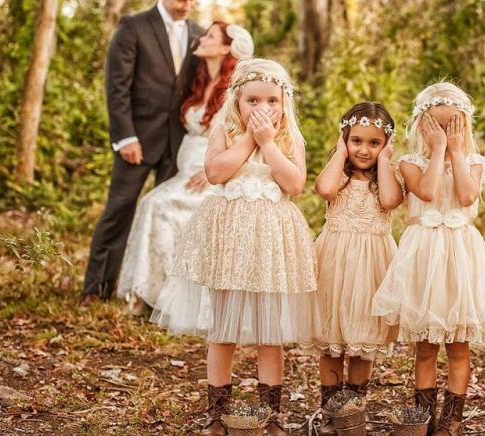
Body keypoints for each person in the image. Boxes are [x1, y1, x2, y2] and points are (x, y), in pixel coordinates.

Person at [150, 58, 319, 436]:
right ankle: (217, 412)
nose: (262, 109)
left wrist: (268, 143)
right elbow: (215, 173)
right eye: (252, 101)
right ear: (236, 101)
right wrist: (248, 139)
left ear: (284, 102)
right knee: (223, 327)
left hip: (270, 239)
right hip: (230, 238)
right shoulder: (224, 130)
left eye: (271, 101)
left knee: (269, 332)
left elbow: (294, 184)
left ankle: (270, 414)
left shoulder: (289, 137)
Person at [372, 82, 485, 435]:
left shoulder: (474, 163)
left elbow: (466, 197)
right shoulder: (410, 163)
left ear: (464, 125)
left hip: (460, 259)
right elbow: (427, 191)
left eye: (452, 124)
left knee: (458, 347)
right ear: (422, 124)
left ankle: (452, 420)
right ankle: (424, 418)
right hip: (423, 259)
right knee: (425, 347)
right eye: (436, 124)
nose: (444, 131)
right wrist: (438, 150)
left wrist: (454, 151)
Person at [82, 0, 203, 303]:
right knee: (119, 210)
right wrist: (125, 137)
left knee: (165, 218)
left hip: (178, 144)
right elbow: (116, 87)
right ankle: (96, 289)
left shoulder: (198, 33)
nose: (187, 6)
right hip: (136, 140)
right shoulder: (133, 27)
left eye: (192, 0)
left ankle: (157, 296)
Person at [116, 22, 254, 314]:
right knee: (151, 204)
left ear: (226, 48)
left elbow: (243, 138)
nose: (202, 39)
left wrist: (212, 170)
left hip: (211, 178)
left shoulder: (235, 92)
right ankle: (147, 292)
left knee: (157, 206)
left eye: (210, 36)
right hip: (184, 175)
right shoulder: (200, 81)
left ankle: (171, 300)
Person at [303, 102, 403, 435]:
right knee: (331, 340)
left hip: (372, 265)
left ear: (386, 144)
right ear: (345, 138)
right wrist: (339, 151)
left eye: (375, 143)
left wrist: (385, 161)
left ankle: (353, 411)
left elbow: (390, 201)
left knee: (364, 338)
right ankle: (330, 411)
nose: (364, 149)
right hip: (334, 261)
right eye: (356, 140)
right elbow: (324, 189)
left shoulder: (386, 177)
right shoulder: (339, 175)